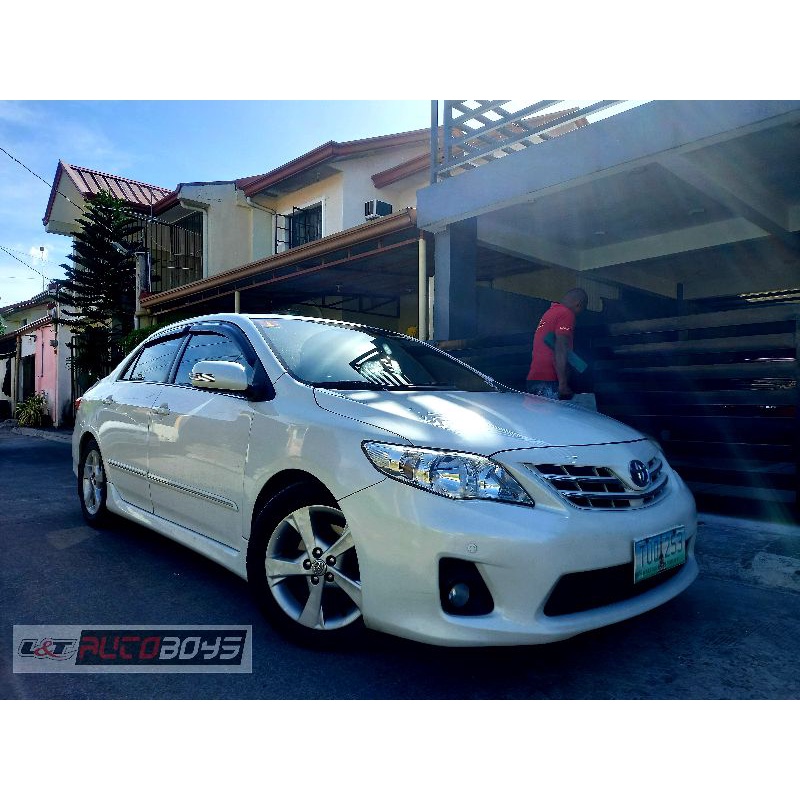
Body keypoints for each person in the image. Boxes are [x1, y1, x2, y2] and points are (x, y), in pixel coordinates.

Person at [526, 288, 587, 400]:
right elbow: (561, 347)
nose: (579, 314)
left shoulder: (550, 313)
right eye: (581, 310)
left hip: (535, 379)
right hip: (549, 381)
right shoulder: (566, 314)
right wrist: (563, 383)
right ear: (578, 304)